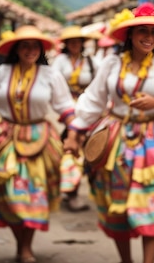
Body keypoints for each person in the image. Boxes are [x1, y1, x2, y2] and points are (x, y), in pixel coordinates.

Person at [63, 2, 154, 263]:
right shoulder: (112, 63)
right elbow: (93, 100)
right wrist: (75, 132)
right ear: (129, 35)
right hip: (116, 138)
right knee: (117, 206)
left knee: (152, 206)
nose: (148, 37)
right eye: (141, 31)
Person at [0, 26, 76, 263]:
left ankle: (25, 246)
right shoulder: (2, 73)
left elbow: (65, 106)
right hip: (6, 136)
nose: (30, 50)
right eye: (25, 45)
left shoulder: (51, 75)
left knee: (35, 194)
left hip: (40, 136)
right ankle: (20, 243)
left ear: (41, 49)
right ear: (15, 49)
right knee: (8, 193)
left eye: (35, 46)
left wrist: (75, 134)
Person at [52, 25, 100, 212]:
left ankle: (96, 190)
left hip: (88, 109)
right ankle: (70, 191)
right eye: (71, 42)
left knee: (93, 149)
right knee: (70, 149)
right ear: (66, 44)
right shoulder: (59, 61)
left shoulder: (91, 62)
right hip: (65, 110)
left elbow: (98, 84)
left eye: (78, 41)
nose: (75, 45)